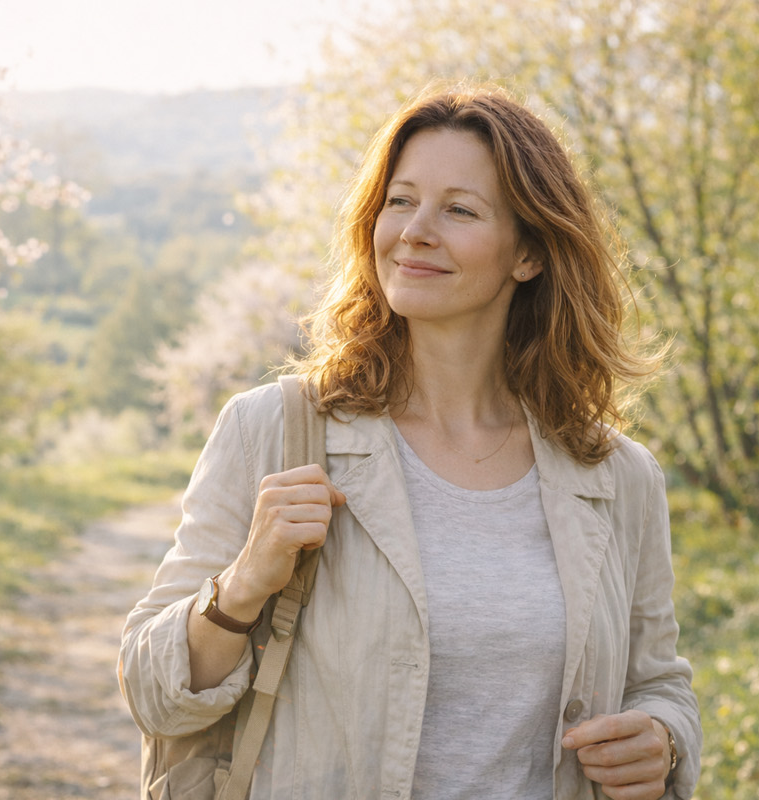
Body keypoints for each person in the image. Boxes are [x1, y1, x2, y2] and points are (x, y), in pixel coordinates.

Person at [119, 83, 701, 800]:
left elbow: (660, 683)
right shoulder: (273, 429)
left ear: (530, 255)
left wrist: (663, 740)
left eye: (458, 210)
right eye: (400, 201)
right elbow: (152, 690)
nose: (415, 230)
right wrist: (244, 582)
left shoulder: (619, 477)